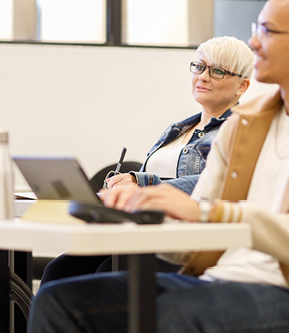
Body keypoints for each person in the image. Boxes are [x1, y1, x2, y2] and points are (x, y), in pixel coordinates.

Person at [22, 0, 289, 333]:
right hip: (219, 284)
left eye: (269, 31)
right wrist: (132, 216)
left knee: (173, 319)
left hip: (285, 299)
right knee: (60, 304)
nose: (254, 41)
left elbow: (210, 212)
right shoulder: (244, 128)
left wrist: (208, 212)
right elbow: (193, 237)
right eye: (257, 28)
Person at [40, 36, 254, 284]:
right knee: (59, 271)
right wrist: (124, 182)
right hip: (138, 232)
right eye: (199, 66)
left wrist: (142, 185)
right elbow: (142, 179)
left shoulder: (240, 130)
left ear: (242, 86)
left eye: (217, 71)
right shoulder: (178, 129)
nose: (203, 76)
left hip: (183, 244)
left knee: (105, 276)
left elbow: (214, 182)